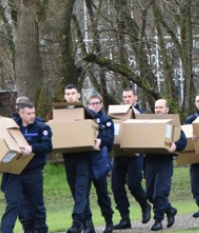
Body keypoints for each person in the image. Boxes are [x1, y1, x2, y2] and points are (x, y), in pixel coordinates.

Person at [0, 101, 53, 233]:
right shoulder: (11, 128)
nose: (32, 116)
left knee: (37, 205)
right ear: (21, 114)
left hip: (33, 172)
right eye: (29, 113)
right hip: (14, 173)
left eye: (33, 113)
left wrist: (32, 148)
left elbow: (48, 147)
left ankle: (41, 230)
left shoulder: (42, 128)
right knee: (13, 205)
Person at [145, 99, 187, 231]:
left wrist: (175, 145)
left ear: (167, 110)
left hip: (165, 162)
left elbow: (183, 141)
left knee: (159, 194)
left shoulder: (173, 125)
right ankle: (169, 210)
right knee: (150, 195)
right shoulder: (148, 124)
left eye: (161, 108)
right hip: (150, 162)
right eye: (156, 107)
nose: (158, 110)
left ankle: (158, 220)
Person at [112, 88, 151, 230]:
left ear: (135, 97)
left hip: (136, 154)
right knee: (116, 186)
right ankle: (125, 218)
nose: (127, 99)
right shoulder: (117, 113)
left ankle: (145, 205)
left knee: (133, 184)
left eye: (129, 96)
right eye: (124, 97)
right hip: (119, 154)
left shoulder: (142, 114)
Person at [61, 85, 96, 233]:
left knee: (81, 190)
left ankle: (77, 223)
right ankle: (88, 224)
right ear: (64, 96)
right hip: (68, 157)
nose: (70, 96)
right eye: (68, 94)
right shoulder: (58, 113)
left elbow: (94, 129)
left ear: (78, 95)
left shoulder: (86, 112)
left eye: (73, 93)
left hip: (84, 157)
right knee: (76, 191)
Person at [85, 92, 116, 233]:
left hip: (100, 161)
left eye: (97, 103)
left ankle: (109, 221)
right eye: (92, 103)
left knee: (103, 194)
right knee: (83, 196)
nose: (95, 106)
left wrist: (100, 141)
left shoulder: (107, 120)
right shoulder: (84, 119)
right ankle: (88, 225)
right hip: (85, 162)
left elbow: (110, 141)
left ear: (101, 104)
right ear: (88, 105)